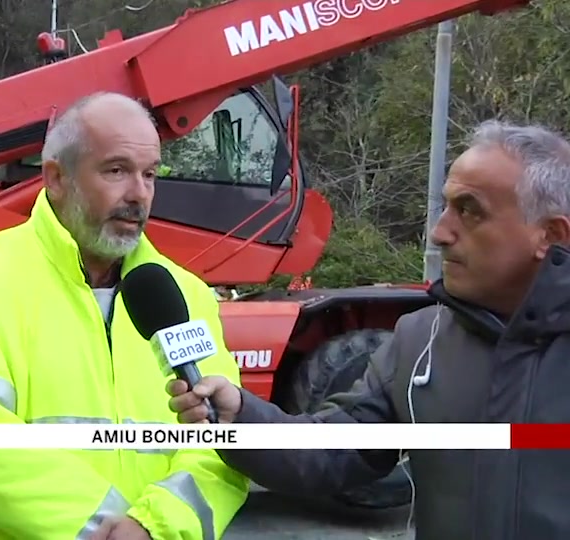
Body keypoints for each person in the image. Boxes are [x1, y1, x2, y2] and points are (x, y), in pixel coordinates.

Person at [166, 120, 570, 540]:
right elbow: (332, 453)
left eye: (470, 211)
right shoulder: (419, 343)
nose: (440, 232)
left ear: (549, 235)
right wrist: (240, 419)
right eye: (446, 206)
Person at [0, 92, 250, 540]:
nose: (139, 195)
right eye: (116, 171)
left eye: (150, 175)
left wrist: (154, 528)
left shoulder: (186, 295)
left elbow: (221, 449)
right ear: (56, 177)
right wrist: (109, 530)